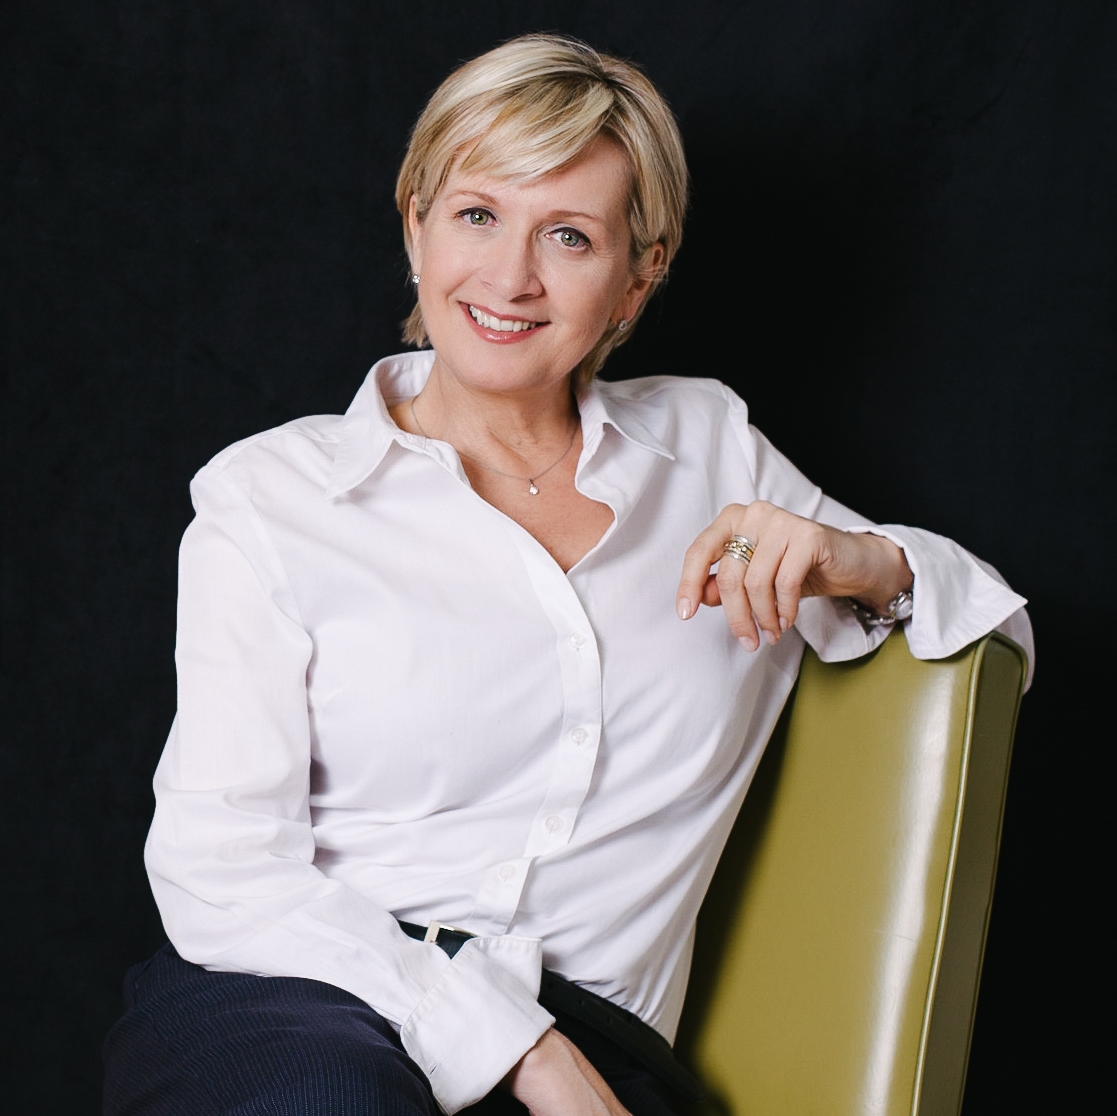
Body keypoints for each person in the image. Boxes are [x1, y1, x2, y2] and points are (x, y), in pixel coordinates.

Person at [103, 33, 1032, 1116]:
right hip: (303, 996)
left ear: (639, 276)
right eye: (476, 215)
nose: (510, 277)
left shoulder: (710, 451)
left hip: (602, 1032)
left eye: (570, 236)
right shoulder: (271, 496)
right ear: (415, 224)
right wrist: (521, 1047)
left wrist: (858, 559)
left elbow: (993, 639)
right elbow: (220, 864)